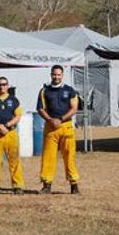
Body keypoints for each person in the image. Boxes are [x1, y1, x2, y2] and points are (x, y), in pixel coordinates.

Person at [37, 64, 80, 194]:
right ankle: (46, 185)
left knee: (69, 156)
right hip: (51, 128)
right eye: (54, 74)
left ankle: (74, 185)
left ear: (62, 75)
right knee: (48, 157)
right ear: (51, 75)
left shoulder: (70, 90)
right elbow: (40, 109)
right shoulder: (44, 91)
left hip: (66, 126)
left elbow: (74, 108)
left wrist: (60, 119)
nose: (56, 77)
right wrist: (50, 120)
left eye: (58, 75)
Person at [0, 76, 25, 194]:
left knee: (14, 160)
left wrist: (7, 125)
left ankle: (17, 186)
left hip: (10, 134)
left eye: (4, 84)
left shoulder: (14, 100)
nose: (2, 87)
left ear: (8, 86)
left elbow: (18, 116)